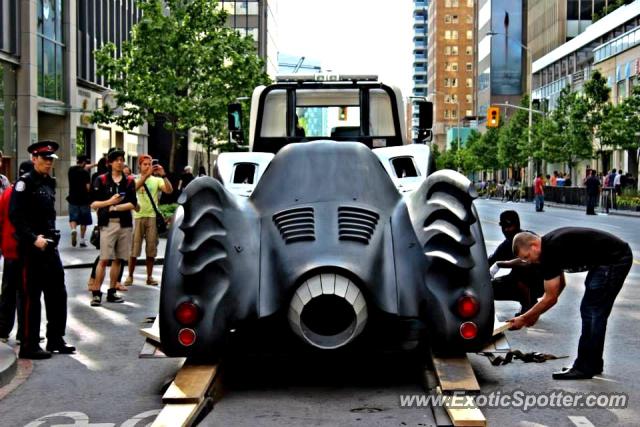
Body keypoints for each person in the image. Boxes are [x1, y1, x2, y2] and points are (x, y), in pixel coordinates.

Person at [510, 228, 633, 379]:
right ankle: (592, 363)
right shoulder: (549, 248)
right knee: (592, 311)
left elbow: (550, 297)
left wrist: (524, 318)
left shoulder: (549, 252)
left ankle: (584, 367)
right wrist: (535, 314)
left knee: (592, 312)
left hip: (614, 259)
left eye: (527, 256)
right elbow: (560, 285)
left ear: (534, 245)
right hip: (607, 259)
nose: (529, 261)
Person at [9, 141, 75, 359]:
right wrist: (32, 238)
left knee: (58, 293)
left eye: (51, 160)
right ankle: (29, 344)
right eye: (45, 159)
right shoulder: (24, 184)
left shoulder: (50, 182)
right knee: (31, 296)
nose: (48, 163)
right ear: (34, 159)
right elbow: (15, 216)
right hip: (31, 248)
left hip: (49, 246)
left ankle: (56, 338)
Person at [89, 147, 137, 307]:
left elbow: (133, 203)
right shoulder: (101, 180)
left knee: (119, 259)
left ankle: (112, 291)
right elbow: (94, 203)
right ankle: (96, 293)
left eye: (122, 160)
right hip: (107, 224)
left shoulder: (129, 181)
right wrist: (110, 202)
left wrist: (116, 207)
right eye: (116, 160)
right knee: (104, 259)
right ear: (110, 163)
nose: (120, 162)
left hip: (125, 224)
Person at [124, 155, 172, 286]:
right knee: (134, 250)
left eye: (149, 164)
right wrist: (145, 176)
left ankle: (149, 277)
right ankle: (130, 276)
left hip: (152, 217)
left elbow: (169, 190)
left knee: (151, 249)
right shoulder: (133, 179)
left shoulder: (156, 180)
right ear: (139, 165)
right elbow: (133, 190)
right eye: (145, 164)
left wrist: (164, 175)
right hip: (138, 217)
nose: (147, 166)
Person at [0, 161, 34, 344]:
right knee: (25, 292)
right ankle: (24, 333)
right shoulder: (27, 193)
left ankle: (3, 330)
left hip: (8, 248)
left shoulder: (6, 193)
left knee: (7, 291)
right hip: (24, 248)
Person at [488, 211, 544, 315]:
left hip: (540, 283)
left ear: (517, 225)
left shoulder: (528, 238)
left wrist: (500, 264)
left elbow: (525, 262)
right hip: (518, 282)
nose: (506, 230)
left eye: (509, 226)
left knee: (521, 270)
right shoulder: (506, 244)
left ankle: (527, 308)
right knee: (489, 288)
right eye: (504, 227)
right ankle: (530, 302)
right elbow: (492, 260)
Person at [67, 155, 93, 247]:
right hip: (84, 199)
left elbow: (84, 167)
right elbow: (88, 187)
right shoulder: (85, 173)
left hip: (72, 198)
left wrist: (94, 165)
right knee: (84, 220)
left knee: (73, 217)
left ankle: (73, 230)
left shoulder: (71, 170)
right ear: (84, 163)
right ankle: (82, 240)